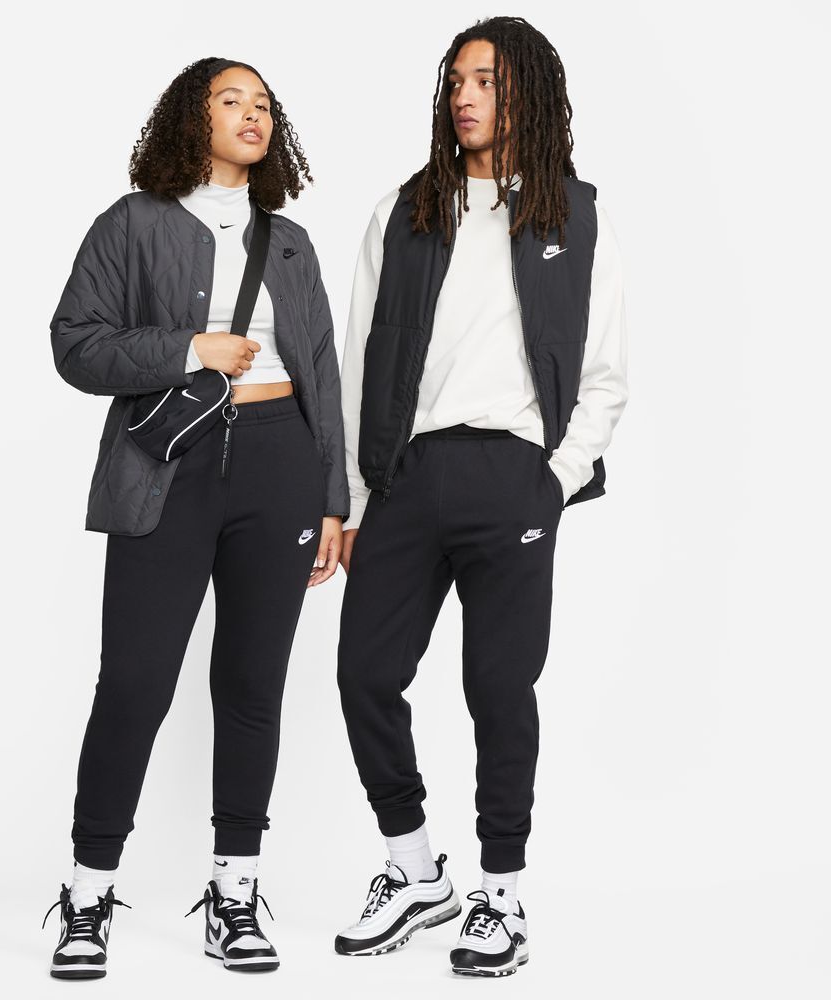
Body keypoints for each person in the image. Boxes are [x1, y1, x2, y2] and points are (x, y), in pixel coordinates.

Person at [333, 16, 628, 977]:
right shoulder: (403, 212)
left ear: (526, 93)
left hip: (514, 479)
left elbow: (605, 373)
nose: (464, 96)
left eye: (487, 80)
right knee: (365, 675)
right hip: (407, 477)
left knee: (498, 690)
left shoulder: (574, 217)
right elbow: (358, 362)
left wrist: (555, 478)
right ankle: (417, 872)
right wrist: (352, 495)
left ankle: (501, 893)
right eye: (456, 80)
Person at [42, 56, 347, 979]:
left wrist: (334, 498)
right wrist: (188, 349)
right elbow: (75, 344)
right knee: (134, 683)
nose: (253, 115)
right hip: (165, 470)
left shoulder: (289, 242)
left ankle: (234, 895)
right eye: (231, 100)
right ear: (192, 117)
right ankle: (88, 896)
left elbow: (324, 371)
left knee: (253, 687)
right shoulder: (132, 223)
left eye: (264, 105)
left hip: (281, 466)